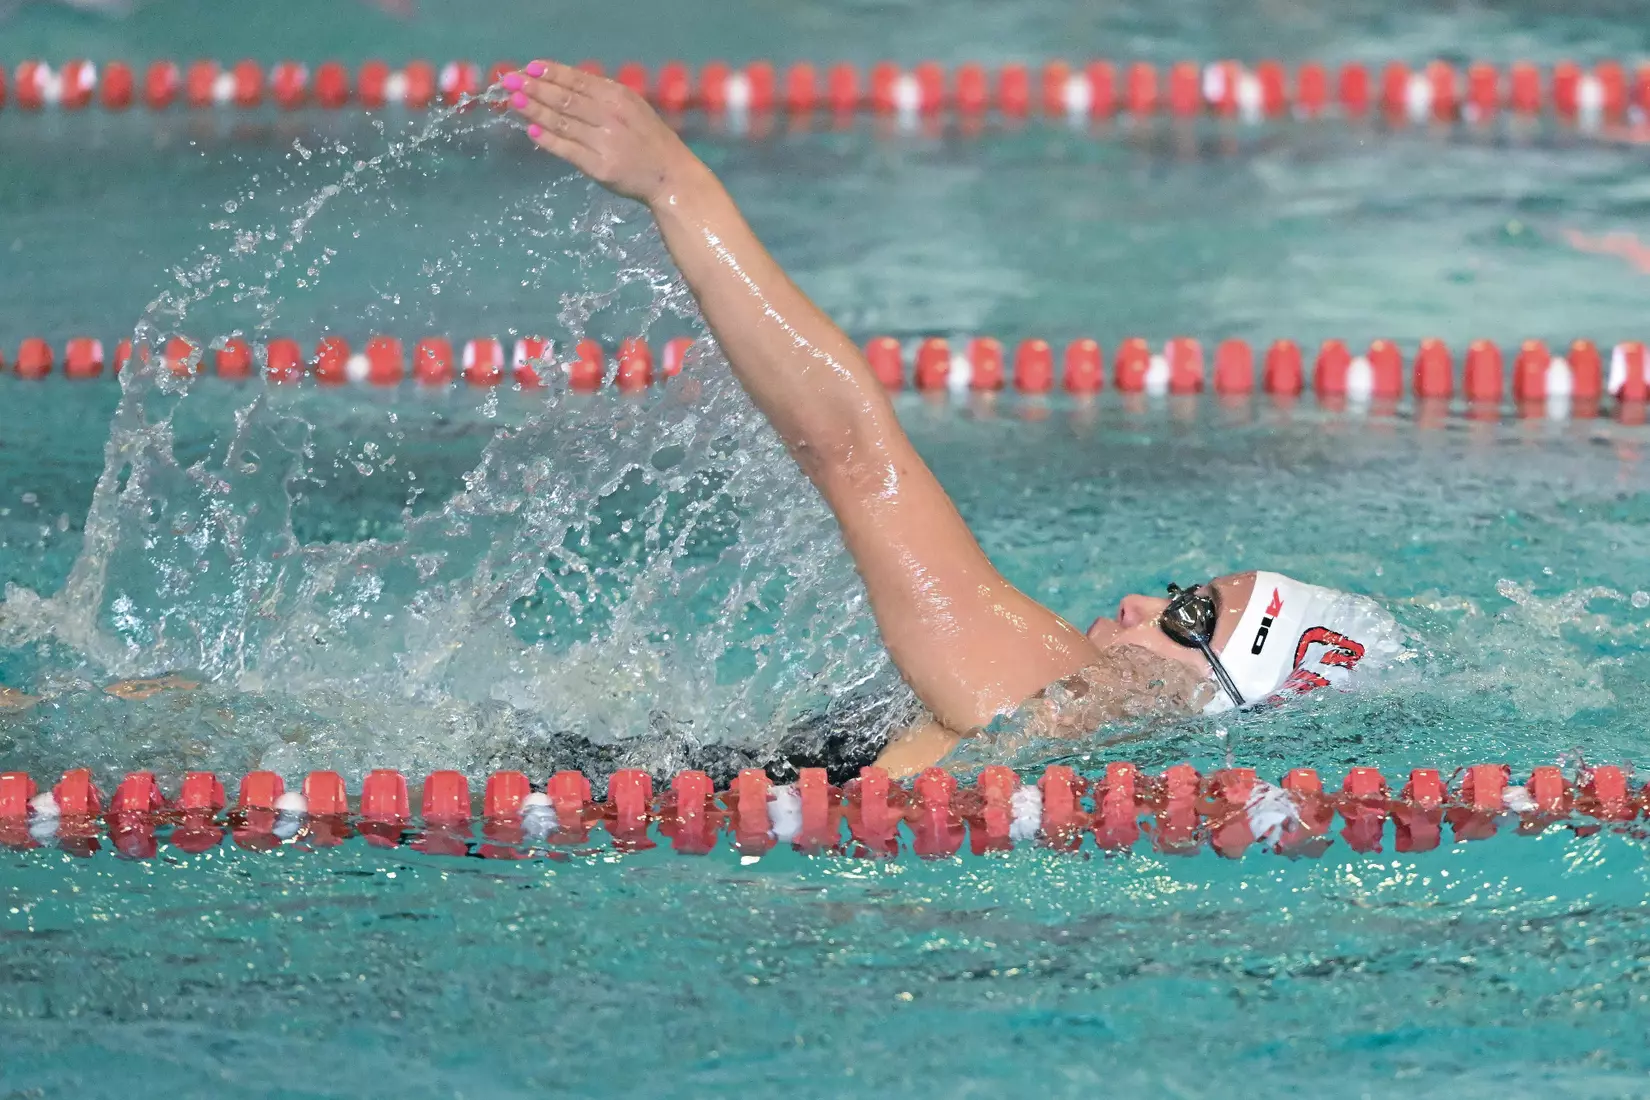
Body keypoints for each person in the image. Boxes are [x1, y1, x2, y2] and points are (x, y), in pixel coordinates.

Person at [505, 63, 1404, 778]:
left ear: (1220, 693)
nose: (1141, 603)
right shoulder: (1078, 778)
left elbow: (852, 452)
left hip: (580, 822)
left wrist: (676, 183)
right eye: (1179, 594)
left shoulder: (1042, 688)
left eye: (1187, 616)